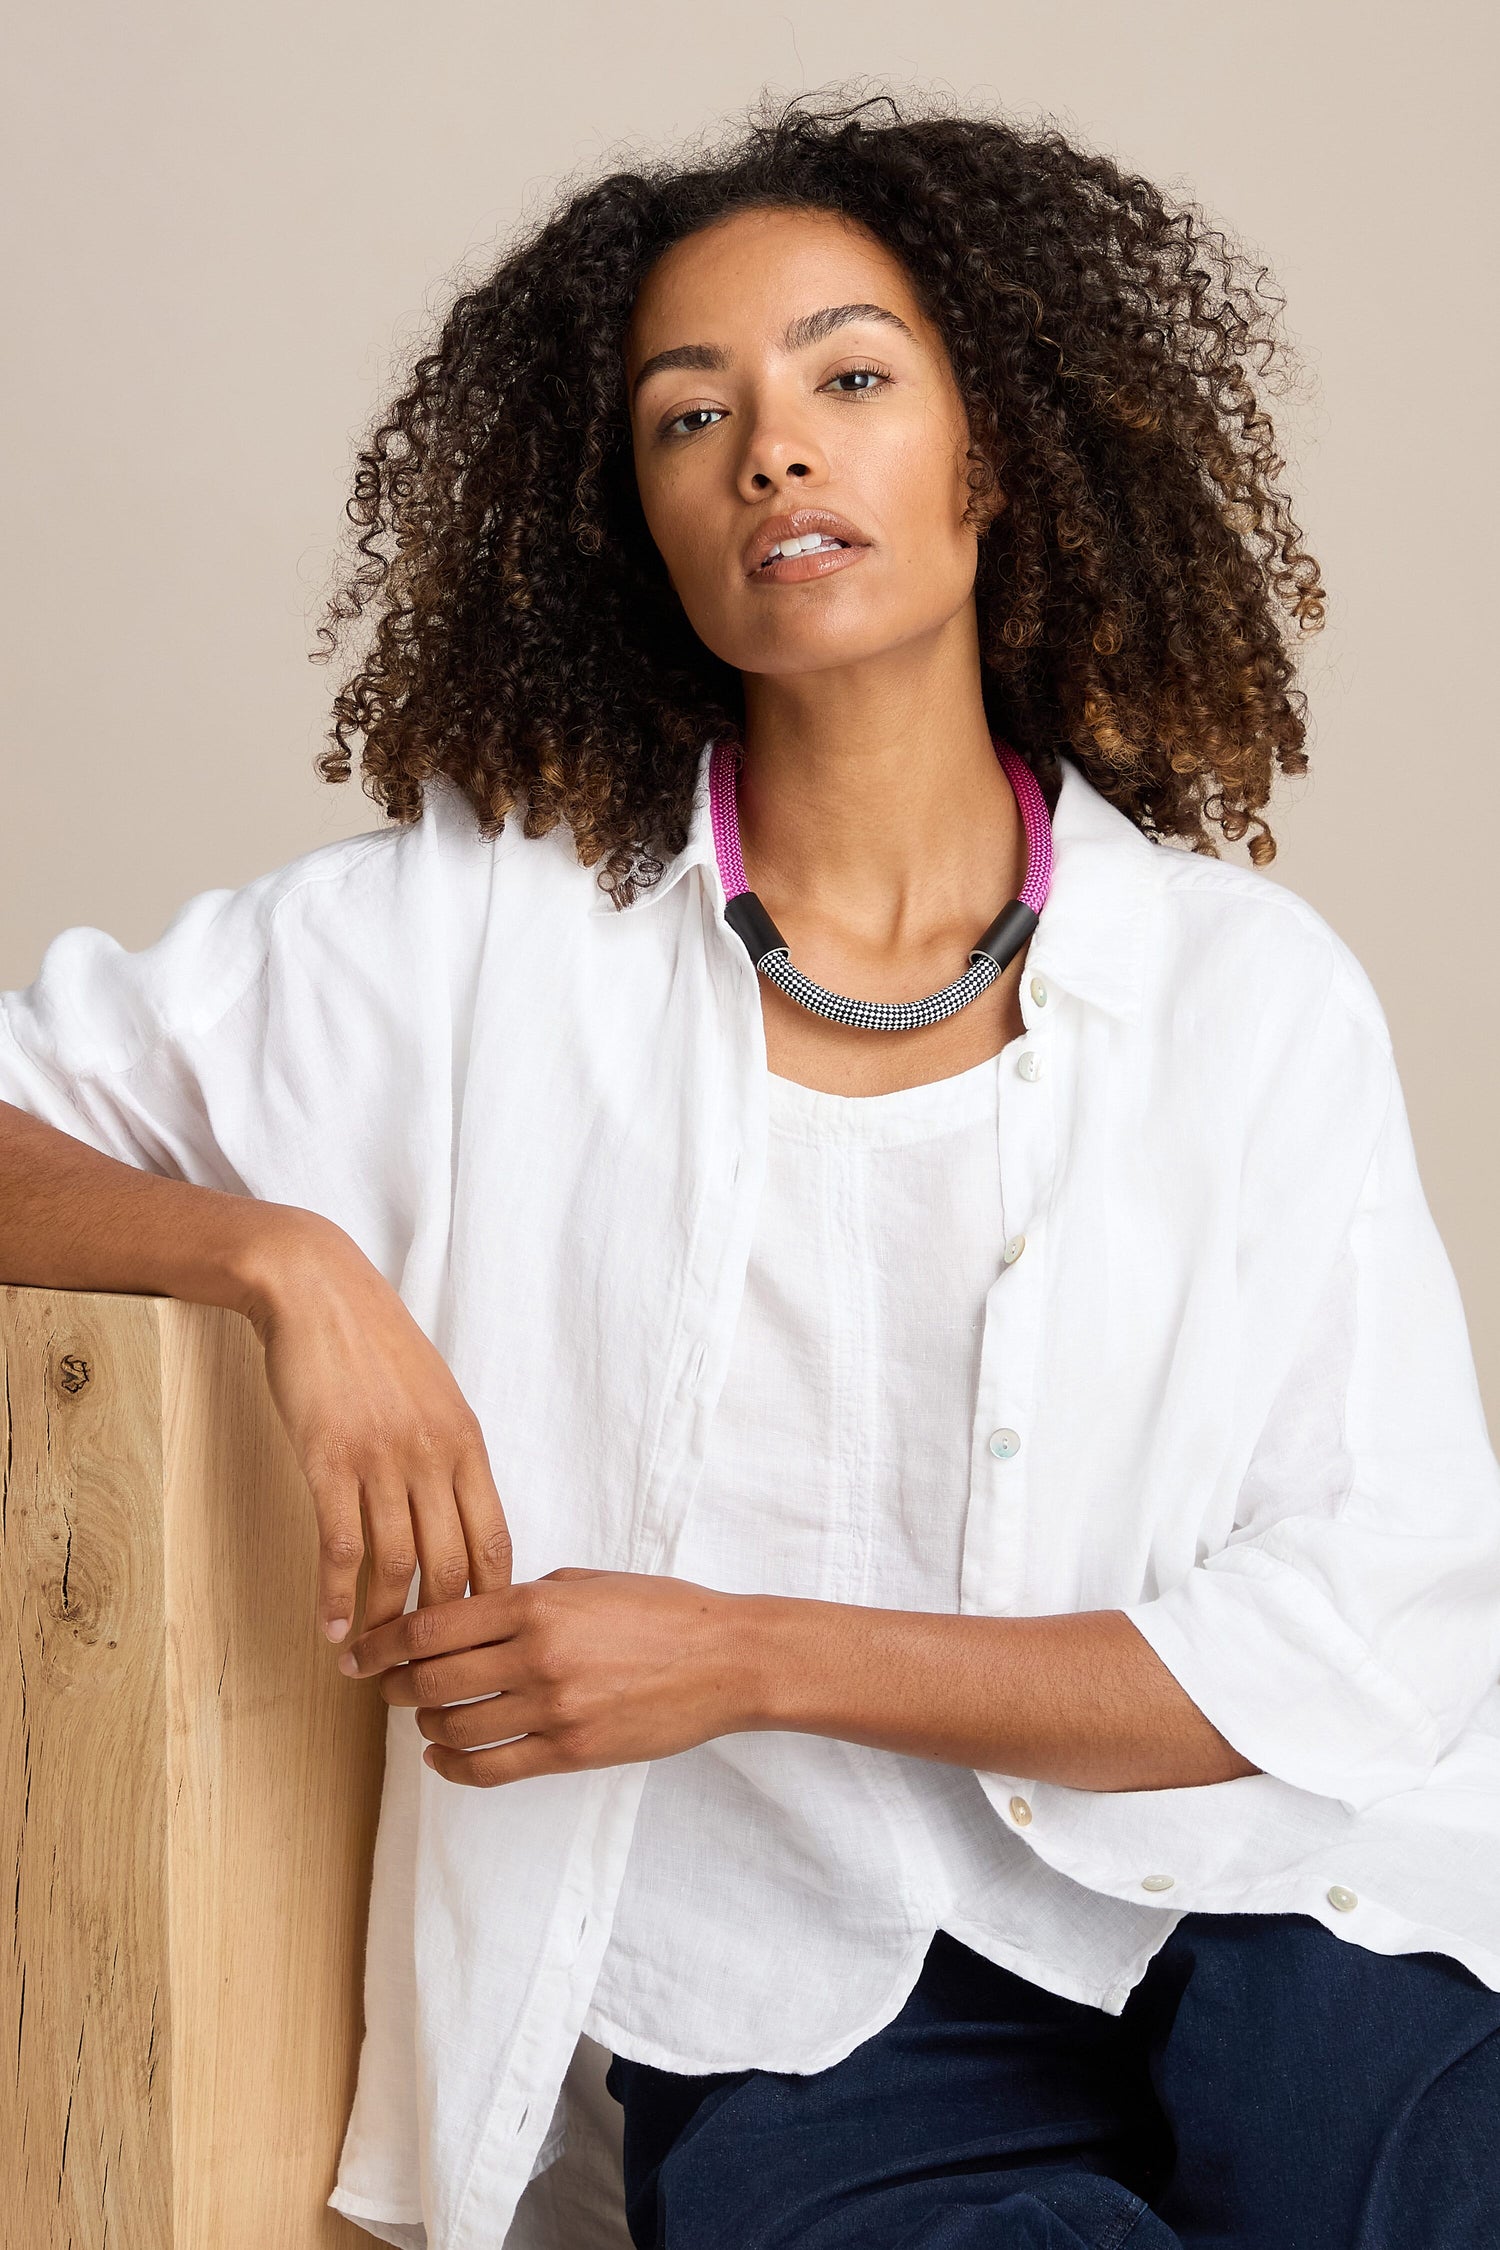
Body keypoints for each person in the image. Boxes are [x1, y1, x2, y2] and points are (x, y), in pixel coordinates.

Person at [2, 86, 1498, 2250]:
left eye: (850, 379)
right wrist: (279, 1260)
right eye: (688, 417)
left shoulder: (1249, 996)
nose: (771, 449)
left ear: (995, 457)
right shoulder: (467, 940)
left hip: (1296, 1911)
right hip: (804, 2017)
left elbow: (1371, 1628)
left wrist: (748, 1652)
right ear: (643, 521)